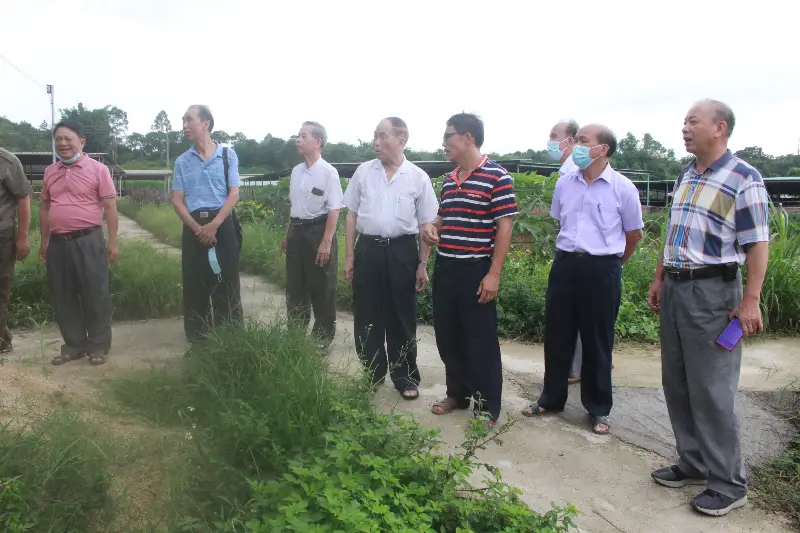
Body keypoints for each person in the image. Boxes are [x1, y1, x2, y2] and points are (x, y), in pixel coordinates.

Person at [647, 100, 769, 517]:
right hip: (678, 289)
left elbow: (757, 243)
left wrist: (749, 300)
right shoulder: (687, 174)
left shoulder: (743, 178)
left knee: (712, 390)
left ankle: (729, 483)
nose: (684, 127)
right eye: (683, 120)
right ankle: (694, 462)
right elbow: (674, 231)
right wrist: (661, 277)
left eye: (692, 121)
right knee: (677, 382)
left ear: (719, 128)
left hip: (714, 293)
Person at [522, 124, 643, 435]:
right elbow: (561, 221)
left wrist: (612, 263)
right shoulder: (566, 184)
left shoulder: (623, 188)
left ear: (602, 149)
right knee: (557, 335)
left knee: (597, 341)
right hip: (565, 267)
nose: (576, 145)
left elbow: (634, 235)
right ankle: (551, 398)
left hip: (602, 270)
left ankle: (598, 407)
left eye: (584, 141)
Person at [422, 113, 519, 427]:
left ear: (468, 137)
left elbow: (504, 228)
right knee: (448, 335)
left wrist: (494, 274)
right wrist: (431, 227)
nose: (444, 142)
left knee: (480, 340)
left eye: (448, 136)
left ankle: (488, 406)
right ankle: (457, 393)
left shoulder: (497, 176)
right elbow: (443, 217)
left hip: (476, 269)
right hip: (446, 267)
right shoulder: (451, 179)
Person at [343, 117, 438, 400]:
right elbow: (351, 215)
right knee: (367, 314)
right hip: (368, 250)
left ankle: (404, 375)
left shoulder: (418, 177)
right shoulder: (363, 172)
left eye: (383, 136)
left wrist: (422, 263)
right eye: (375, 135)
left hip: (402, 252)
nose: (376, 141)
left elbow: (426, 225)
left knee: (401, 315)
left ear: (401, 140)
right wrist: (349, 256)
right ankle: (372, 372)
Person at [39, 121, 119, 366]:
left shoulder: (98, 170)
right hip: (59, 243)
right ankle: (73, 345)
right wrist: (44, 242)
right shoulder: (50, 171)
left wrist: (113, 242)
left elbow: (110, 207)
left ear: (81, 142)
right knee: (63, 294)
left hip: (89, 239)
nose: (62, 143)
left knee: (95, 293)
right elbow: (44, 207)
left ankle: (97, 346)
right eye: (58, 139)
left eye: (68, 138)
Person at [171, 105, 243, 343]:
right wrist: (197, 228)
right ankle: (198, 344)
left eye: (189, 120)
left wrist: (215, 225)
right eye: (183, 121)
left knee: (227, 283)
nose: (184, 126)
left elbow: (233, 194)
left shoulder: (227, 156)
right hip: (194, 226)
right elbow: (177, 200)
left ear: (206, 124)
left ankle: (230, 341)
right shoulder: (182, 161)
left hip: (223, 224)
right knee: (194, 287)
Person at [280, 121, 344, 353]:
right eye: (298, 135)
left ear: (317, 142)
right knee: (295, 287)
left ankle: (322, 338)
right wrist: (288, 234)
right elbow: (293, 206)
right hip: (297, 232)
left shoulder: (328, 172)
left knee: (322, 287)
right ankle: (295, 335)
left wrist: (326, 241)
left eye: (303, 136)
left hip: (318, 232)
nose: (298, 140)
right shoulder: (297, 172)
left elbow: (334, 209)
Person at [547, 119, 582, 384]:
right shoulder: (564, 174)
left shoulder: (575, 171)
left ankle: (574, 369)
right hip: (567, 254)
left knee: (576, 317)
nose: (550, 142)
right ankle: (572, 367)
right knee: (570, 316)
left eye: (554, 136)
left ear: (570, 141)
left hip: (580, 256)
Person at [0, 147, 33, 353]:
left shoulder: (7, 161)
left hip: (2, 234)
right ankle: (4, 338)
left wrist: (22, 237)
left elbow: (23, 198)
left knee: (0, 287)